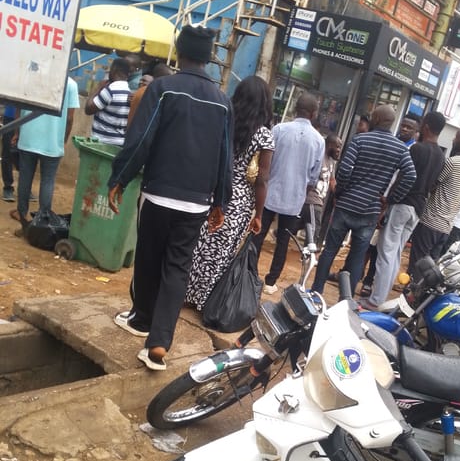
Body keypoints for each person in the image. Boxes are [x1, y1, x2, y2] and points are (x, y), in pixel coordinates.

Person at [108, 25, 233, 371]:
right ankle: (159, 343)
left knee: (149, 259)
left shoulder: (163, 89)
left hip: (159, 194)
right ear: (209, 57)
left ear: (179, 53)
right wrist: (220, 200)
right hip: (196, 203)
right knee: (178, 267)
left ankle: (141, 320)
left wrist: (120, 177)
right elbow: (226, 154)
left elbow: (141, 139)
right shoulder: (223, 102)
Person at [186, 75, 275, 314]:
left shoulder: (224, 120)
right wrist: (259, 215)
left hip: (211, 191)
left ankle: (184, 292)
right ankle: (204, 300)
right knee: (222, 251)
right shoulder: (264, 136)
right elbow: (261, 179)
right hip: (238, 202)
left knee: (199, 243)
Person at [312, 104, 416, 297]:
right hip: (370, 210)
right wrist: (389, 199)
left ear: (376, 119)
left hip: (346, 206)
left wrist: (341, 192)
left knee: (330, 251)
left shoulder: (359, 140)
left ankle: (316, 291)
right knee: (357, 257)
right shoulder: (400, 149)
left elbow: (344, 171)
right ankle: (346, 301)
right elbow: (410, 175)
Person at [366, 111, 446, 308]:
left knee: (386, 252)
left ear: (425, 126)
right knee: (395, 253)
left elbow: (404, 178)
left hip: (403, 204)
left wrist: (388, 201)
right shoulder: (441, 156)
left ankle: (375, 299)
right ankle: (380, 297)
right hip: (418, 209)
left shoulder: (417, 149)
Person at [251, 93, 325, 294]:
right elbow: (314, 176)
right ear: (314, 113)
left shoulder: (279, 129)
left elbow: (266, 161)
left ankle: (248, 275)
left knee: (257, 235)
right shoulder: (319, 140)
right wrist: (302, 190)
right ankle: (270, 282)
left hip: (269, 193)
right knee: (282, 242)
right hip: (294, 198)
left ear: (295, 108)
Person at [408, 124, 460, 273]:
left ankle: (409, 295)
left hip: (430, 222)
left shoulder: (453, 162)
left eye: (457, 136)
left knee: (417, 266)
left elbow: (433, 185)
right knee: (430, 269)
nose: (453, 139)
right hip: (446, 227)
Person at [12, 78, 79, 231]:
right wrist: (64, 140)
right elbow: (69, 118)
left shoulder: (33, 78)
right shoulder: (71, 84)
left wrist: (17, 132)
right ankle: (42, 219)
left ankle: (22, 214)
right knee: (47, 180)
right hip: (52, 140)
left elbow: (19, 108)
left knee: (25, 177)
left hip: (28, 136)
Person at [299, 132, 341, 244]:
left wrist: (337, 195)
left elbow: (332, 180)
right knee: (315, 227)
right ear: (329, 145)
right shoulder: (319, 156)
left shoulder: (332, 161)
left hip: (320, 199)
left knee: (302, 223)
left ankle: (280, 231)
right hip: (312, 198)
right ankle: (309, 255)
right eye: (337, 146)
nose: (339, 150)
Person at [85, 57, 131, 147]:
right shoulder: (128, 91)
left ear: (114, 70)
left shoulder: (111, 90)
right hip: (118, 143)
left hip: (102, 143)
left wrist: (98, 87)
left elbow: (88, 109)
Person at [2, 103, 17, 201]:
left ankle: (26, 189)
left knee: (27, 154)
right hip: (10, 117)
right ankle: (8, 187)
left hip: (28, 117)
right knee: (7, 152)